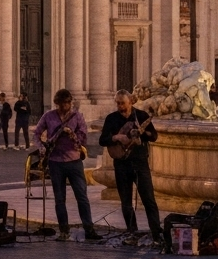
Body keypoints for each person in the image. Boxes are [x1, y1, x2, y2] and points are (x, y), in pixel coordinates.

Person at [34, 89, 100, 242]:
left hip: (74, 161)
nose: (65, 106)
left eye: (68, 103)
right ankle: (64, 230)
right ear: (57, 104)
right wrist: (41, 147)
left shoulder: (77, 116)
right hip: (55, 162)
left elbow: (83, 139)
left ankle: (89, 229)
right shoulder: (48, 116)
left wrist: (73, 135)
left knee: (82, 196)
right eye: (62, 104)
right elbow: (36, 134)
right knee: (59, 198)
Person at [99, 89, 161, 246]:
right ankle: (132, 232)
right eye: (118, 103)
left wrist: (143, 134)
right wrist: (117, 137)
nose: (120, 107)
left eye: (123, 103)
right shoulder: (111, 119)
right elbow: (102, 139)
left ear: (131, 102)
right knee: (126, 202)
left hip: (140, 163)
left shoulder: (141, 116)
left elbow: (154, 136)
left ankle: (156, 234)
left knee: (149, 200)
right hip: (121, 164)